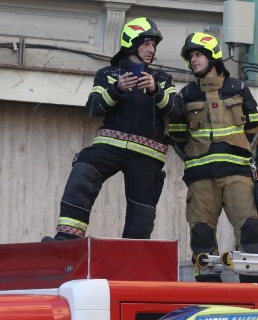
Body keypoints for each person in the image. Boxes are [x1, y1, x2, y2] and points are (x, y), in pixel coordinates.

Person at [46, 17, 178, 241]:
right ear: (131, 43)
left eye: (154, 44)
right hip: (109, 146)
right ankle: (66, 241)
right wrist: (117, 89)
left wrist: (156, 90)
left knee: (141, 215)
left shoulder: (162, 79)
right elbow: (93, 108)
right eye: (146, 43)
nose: (152, 49)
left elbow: (176, 111)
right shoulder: (107, 74)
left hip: (147, 156)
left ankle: (131, 258)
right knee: (83, 173)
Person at [169, 33, 258, 282]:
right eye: (191, 57)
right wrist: (195, 159)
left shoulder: (238, 88)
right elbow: (178, 136)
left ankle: (252, 288)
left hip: (237, 174)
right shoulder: (186, 94)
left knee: (250, 230)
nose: (194, 60)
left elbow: (255, 129)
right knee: (201, 236)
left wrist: (243, 155)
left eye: (199, 55)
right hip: (201, 179)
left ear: (213, 57)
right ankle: (209, 293)